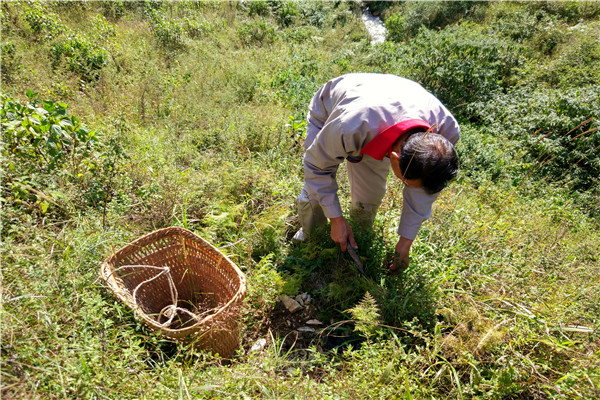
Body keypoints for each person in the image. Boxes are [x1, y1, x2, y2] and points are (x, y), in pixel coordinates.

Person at [293, 73, 460, 274]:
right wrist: (336, 219)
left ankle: (358, 235)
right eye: (405, 182)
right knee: (314, 194)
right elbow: (316, 167)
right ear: (394, 157)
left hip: (390, 113)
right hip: (336, 108)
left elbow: (423, 191)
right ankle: (312, 236)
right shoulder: (350, 125)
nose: (407, 187)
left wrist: (405, 243)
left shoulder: (446, 133)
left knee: (369, 198)